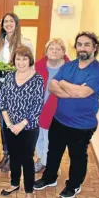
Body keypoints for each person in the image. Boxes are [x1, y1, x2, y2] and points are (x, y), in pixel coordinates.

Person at [34, 32, 99, 198]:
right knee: (54, 152)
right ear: (76, 47)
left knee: (77, 157)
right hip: (59, 119)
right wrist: (71, 89)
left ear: (95, 48)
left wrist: (64, 84)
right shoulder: (69, 66)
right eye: (79, 44)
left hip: (82, 124)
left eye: (87, 44)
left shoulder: (98, 70)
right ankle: (49, 178)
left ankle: (74, 185)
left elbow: (83, 92)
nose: (82, 48)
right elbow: (52, 86)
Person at [0, 46, 44, 198]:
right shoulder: (10, 76)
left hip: (28, 127)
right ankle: (14, 183)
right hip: (10, 125)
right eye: (18, 59)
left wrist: (21, 125)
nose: (21, 62)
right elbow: (2, 100)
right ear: (14, 60)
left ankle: (29, 191)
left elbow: (37, 106)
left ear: (30, 60)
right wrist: (9, 124)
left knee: (27, 159)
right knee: (14, 156)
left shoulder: (37, 79)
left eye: (24, 59)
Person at [0, 12, 33, 172]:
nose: (8, 24)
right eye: (5, 21)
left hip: (18, 88)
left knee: (15, 122)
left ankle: (16, 155)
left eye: (11, 21)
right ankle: (7, 153)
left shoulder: (26, 42)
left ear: (16, 23)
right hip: (1, 87)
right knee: (3, 123)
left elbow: (30, 66)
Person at [33, 38, 69, 173]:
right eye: (51, 48)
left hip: (57, 109)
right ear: (46, 51)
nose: (54, 51)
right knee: (39, 136)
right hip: (38, 107)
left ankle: (48, 163)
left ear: (63, 52)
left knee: (51, 138)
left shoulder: (69, 67)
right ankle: (41, 159)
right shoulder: (38, 65)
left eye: (58, 49)